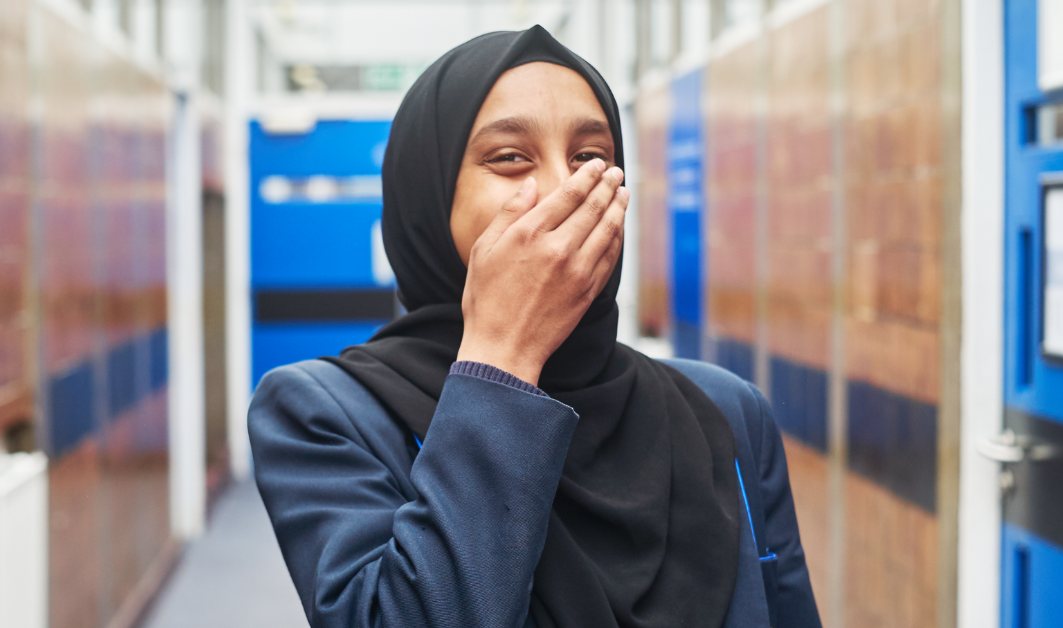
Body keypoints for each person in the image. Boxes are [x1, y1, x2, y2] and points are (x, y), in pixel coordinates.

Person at [248, 25, 821, 628]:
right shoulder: (326, 414)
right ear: (429, 198)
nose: (563, 188)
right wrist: (502, 356)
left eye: (591, 158)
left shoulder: (725, 411)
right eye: (510, 158)